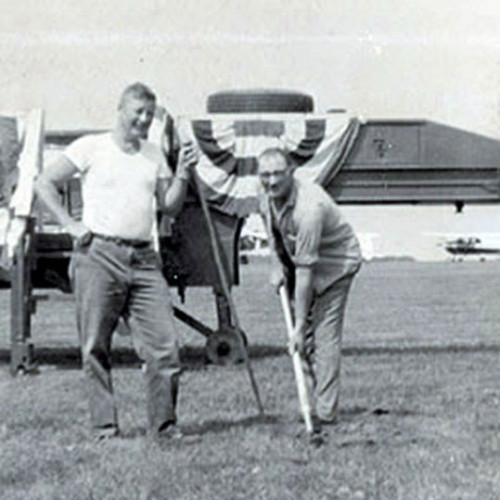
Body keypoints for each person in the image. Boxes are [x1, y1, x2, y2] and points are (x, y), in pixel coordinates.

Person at [35, 82, 199, 443]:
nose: (143, 119)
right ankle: (105, 430)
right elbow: (44, 183)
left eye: (148, 114)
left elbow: (169, 205)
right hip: (98, 255)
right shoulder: (90, 147)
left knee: (164, 346)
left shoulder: (154, 154)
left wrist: (184, 171)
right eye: (137, 111)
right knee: (95, 346)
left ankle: (165, 428)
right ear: (120, 109)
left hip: (143, 259)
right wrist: (69, 224)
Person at [257, 147, 362, 430]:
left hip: (337, 265)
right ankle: (315, 400)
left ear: (291, 172)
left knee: (322, 336)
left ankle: (326, 416)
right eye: (265, 175)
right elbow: (271, 228)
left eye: (278, 174)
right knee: (302, 341)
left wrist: (301, 325)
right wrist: (274, 262)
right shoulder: (265, 193)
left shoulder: (309, 208)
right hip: (299, 261)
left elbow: (306, 274)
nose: (271, 181)